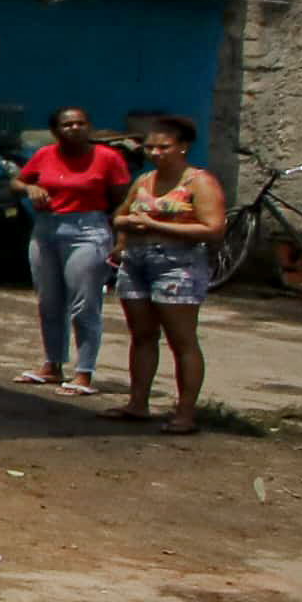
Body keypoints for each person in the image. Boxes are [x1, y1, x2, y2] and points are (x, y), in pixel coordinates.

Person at [106, 118, 226, 432]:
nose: (156, 153)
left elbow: (213, 228)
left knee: (181, 339)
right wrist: (125, 228)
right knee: (142, 335)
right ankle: (138, 403)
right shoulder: (144, 180)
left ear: (183, 146)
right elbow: (120, 214)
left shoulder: (199, 182)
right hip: (137, 260)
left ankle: (185, 413)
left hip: (177, 262)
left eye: (164, 146)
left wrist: (156, 225)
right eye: (150, 147)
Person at [14, 104, 135, 395]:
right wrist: (29, 188)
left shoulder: (108, 158)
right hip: (46, 229)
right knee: (48, 300)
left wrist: (121, 239)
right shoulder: (45, 155)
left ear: (89, 127)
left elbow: (124, 200)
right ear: (56, 131)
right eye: (67, 125)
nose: (75, 128)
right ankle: (53, 364)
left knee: (84, 302)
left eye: (81, 123)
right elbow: (16, 181)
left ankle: (84, 371)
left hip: (88, 230)